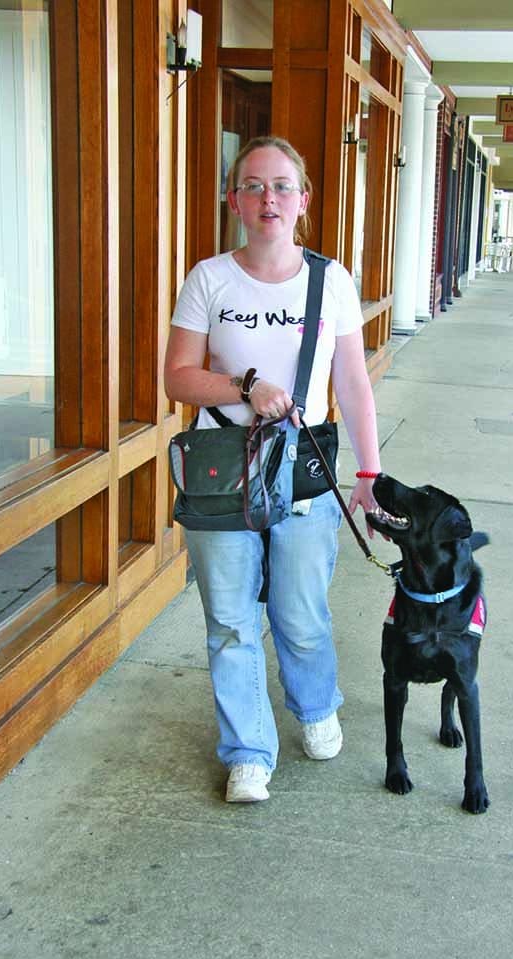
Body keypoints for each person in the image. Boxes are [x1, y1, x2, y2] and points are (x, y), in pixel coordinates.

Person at [164, 136, 381, 804]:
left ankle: (314, 708)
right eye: (252, 185)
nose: (268, 199)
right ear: (233, 198)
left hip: (305, 469)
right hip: (222, 469)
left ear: (303, 200)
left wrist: (368, 475)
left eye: (282, 186)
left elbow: (351, 381)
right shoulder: (208, 278)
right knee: (230, 621)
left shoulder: (331, 279)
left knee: (301, 613)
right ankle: (248, 749)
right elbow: (178, 377)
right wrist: (244, 386)